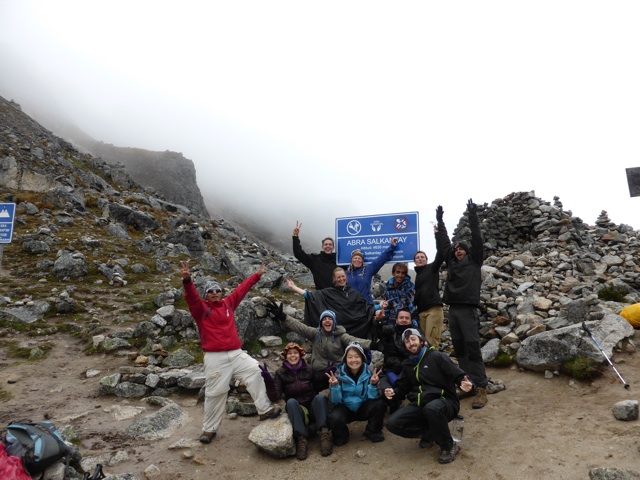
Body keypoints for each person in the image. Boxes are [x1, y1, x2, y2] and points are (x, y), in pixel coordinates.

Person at [179, 260, 281, 444]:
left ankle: (265, 409)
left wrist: (257, 275)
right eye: (211, 291)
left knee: (256, 371)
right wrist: (187, 281)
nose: (215, 293)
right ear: (206, 295)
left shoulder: (228, 304)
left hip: (236, 353)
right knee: (215, 393)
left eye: (218, 290)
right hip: (215, 356)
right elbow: (191, 297)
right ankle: (209, 430)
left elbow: (242, 289)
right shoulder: (201, 309)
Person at [385, 328, 473, 464]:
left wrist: (463, 382)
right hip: (421, 404)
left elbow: (458, 374)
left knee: (432, 408)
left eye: (413, 339)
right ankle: (430, 432)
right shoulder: (408, 365)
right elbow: (402, 389)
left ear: (421, 340)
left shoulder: (436, 356)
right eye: (407, 341)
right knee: (393, 423)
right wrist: (391, 393)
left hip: (446, 402)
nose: (411, 343)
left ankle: (448, 446)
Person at [435, 200, 489, 409]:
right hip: (453, 310)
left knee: (472, 348)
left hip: (468, 310)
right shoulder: (453, 263)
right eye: (456, 250)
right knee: (460, 350)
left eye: (461, 250)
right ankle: (469, 385)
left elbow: (477, 239)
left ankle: (482, 387)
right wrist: (440, 222)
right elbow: (444, 244)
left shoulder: (475, 261)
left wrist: (473, 216)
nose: (458, 251)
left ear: (467, 252)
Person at [266, 302, 375, 392]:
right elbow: (298, 326)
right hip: (317, 373)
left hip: (338, 372)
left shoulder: (341, 336)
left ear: (334, 322)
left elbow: (355, 341)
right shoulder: (315, 333)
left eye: (330, 319)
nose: (327, 320)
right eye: (324, 319)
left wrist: (373, 344)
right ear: (321, 323)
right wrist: (283, 316)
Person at [259, 342, 333, 459]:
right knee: (291, 402)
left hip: (312, 407)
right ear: (285, 356)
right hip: (298, 411)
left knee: (320, 398)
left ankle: (324, 435)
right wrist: (268, 381)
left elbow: (318, 386)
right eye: (289, 353)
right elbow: (275, 396)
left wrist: (326, 376)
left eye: (295, 353)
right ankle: (301, 440)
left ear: (300, 355)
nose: (293, 356)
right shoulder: (280, 373)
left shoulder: (308, 369)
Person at [286, 268, 379, 340]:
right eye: (338, 277)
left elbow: (365, 310)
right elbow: (310, 296)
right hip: (336, 334)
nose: (341, 279)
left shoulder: (354, 293)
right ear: (334, 279)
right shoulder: (328, 293)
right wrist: (293, 287)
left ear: (346, 277)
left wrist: (379, 306)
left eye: (343, 276)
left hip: (355, 332)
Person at [326, 342, 387, 446]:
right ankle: (342, 435)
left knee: (380, 404)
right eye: (350, 357)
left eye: (357, 356)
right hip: (345, 408)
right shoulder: (338, 375)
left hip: (362, 406)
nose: (353, 360)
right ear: (345, 359)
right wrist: (335, 386)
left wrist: (373, 384)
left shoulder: (369, 373)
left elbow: (373, 396)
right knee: (334, 416)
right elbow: (335, 400)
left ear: (362, 358)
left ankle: (372, 431)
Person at [373, 307, 419, 412]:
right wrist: (378, 321)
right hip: (390, 371)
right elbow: (377, 332)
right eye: (401, 317)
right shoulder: (390, 330)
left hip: (409, 372)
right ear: (396, 320)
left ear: (411, 320)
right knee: (387, 392)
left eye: (406, 318)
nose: (404, 320)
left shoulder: (416, 334)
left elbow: (425, 347)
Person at [413, 232, 445, 347]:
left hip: (433, 309)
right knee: (423, 342)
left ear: (426, 260)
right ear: (415, 262)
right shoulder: (417, 275)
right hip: (422, 312)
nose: (420, 259)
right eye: (417, 257)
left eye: (422, 257)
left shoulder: (432, 268)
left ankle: (433, 365)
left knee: (432, 342)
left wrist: (438, 235)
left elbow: (441, 253)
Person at [345, 238, 398, 305]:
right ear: (351, 260)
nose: (357, 260)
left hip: (366, 305)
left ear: (362, 261)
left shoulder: (368, 270)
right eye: (355, 258)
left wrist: (392, 247)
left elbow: (380, 259)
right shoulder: (346, 273)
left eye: (359, 258)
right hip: (351, 306)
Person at [292, 221, 337, 290]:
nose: (328, 246)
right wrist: (295, 236)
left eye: (330, 244)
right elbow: (299, 254)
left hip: (337, 296)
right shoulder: (315, 260)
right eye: (326, 244)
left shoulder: (339, 260)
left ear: (333, 248)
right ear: (322, 247)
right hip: (321, 296)